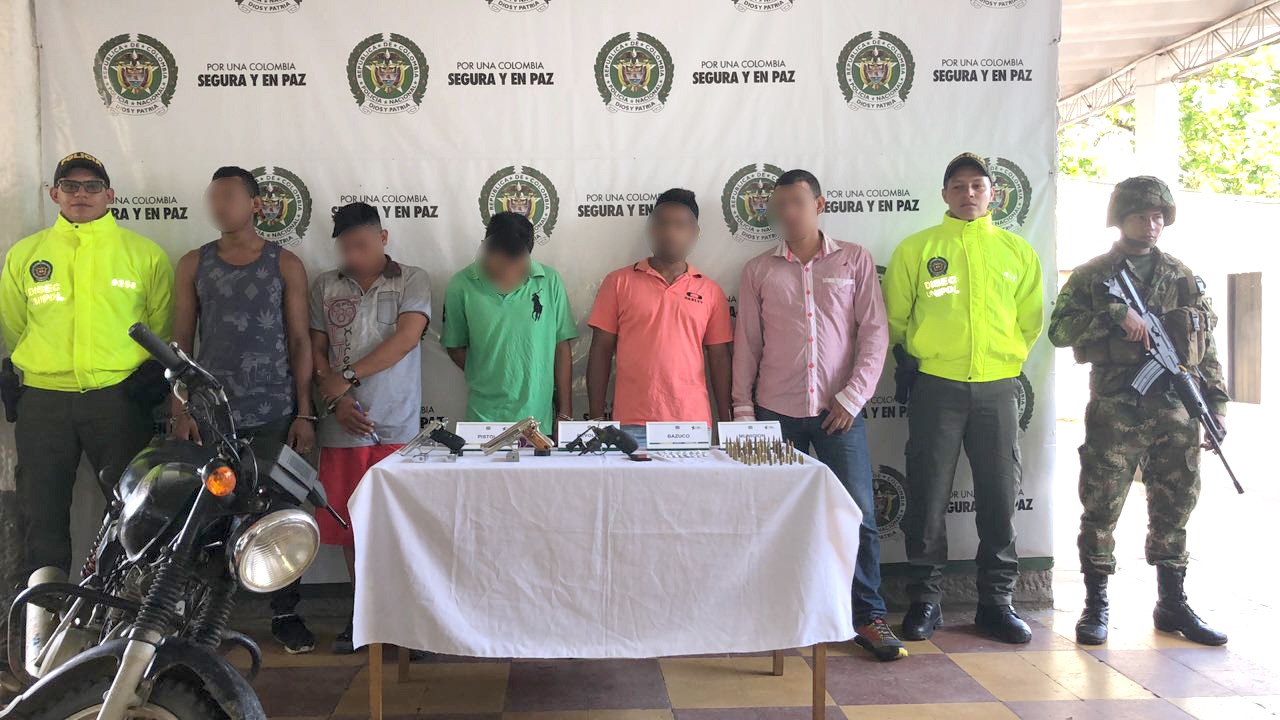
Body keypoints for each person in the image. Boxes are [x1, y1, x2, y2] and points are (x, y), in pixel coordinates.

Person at [1048, 176, 1228, 647]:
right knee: (1102, 507)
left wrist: (1216, 405)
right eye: (1141, 216)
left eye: (1158, 217)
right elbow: (1059, 331)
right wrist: (1113, 315)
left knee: (1175, 508)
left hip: (1176, 412)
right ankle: (1096, 605)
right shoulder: (1094, 275)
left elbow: (1206, 346)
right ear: (1120, 218)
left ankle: (1172, 604)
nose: (1151, 225)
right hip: (1117, 412)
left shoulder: (1182, 274)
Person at [732, 170, 904, 662]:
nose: (787, 212)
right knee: (773, 517)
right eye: (780, 204)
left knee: (857, 514)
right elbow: (747, 343)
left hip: (839, 413)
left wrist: (853, 397)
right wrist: (743, 408)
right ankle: (775, 612)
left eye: (797, 202)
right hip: (775, 412)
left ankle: (867, 615)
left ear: (819, 204)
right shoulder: (759, 270)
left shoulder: (854, 259)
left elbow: (874, 333)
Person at [882, 153, 1044, 644]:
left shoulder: (1017, 251)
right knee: (928, 495)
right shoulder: (918, 249)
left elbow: (1029, 321)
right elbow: (895, 319)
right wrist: (929, 360)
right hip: (936, 386)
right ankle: (926, 600)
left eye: (977, 185)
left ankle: (996, 603)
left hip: (998, 387)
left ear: (994, 193)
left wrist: (1000, 361)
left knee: (999, 497)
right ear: (944, 194)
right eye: (958, 186)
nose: (968, 193)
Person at [0, 152, 173, 578]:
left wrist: (147, 378)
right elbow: (15, 327)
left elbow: (161, 327)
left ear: (110, 195)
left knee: (134, 510)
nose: (81, 194)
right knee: (41, 511)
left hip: (119, 400)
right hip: (43, 402)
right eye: (71, 186)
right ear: (54, 194)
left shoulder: (145, 255)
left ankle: (126, 604)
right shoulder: (26, 254)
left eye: (92, 186)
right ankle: (45, 610)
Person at [169, 166, 317, 654]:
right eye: (213, 197)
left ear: (255, 205)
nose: (220, 206)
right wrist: (181, 408)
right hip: (212, 414)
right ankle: (198, 619)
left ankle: (286, 612)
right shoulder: (194, 264)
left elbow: (299, 341)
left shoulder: (285, 264)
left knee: (279, 512)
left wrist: (304, 412)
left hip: (274, 410)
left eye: (229, 196)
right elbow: (180, 343)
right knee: (205, 514)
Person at [309, 202, 432, 653]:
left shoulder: (411, 279)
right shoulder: (325, 285)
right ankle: (362, 615)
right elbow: (314, 349)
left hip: (395, 425)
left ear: (383, 238)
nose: (353, 255)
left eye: (362, 245)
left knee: (398, 527)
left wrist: (347, 378)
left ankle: (406, 622)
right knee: (352, 526)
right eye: (346, 248)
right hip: (342, 425)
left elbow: (405, 339)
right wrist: (336, 398)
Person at [586, 189, 731, 445]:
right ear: (651, 229)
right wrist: (597, 419)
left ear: (694, 233)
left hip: (691, 424)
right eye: (662, 223)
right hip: (631, 423)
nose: (670, 232)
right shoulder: (618, 282)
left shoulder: (710, 291)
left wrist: (726, 423)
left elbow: (719, 358)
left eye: (680, 225)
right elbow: (601, 350)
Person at [441, 212, 576, 431]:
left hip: (537, 420)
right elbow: (455, 346)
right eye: (499, 259)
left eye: (515, 261)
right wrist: (488, 372)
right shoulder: (461, 284)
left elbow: (561, 347)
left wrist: (565, 412)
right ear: (484, 247)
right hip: (482, 419)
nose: (506, 268)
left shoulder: (549, 281)